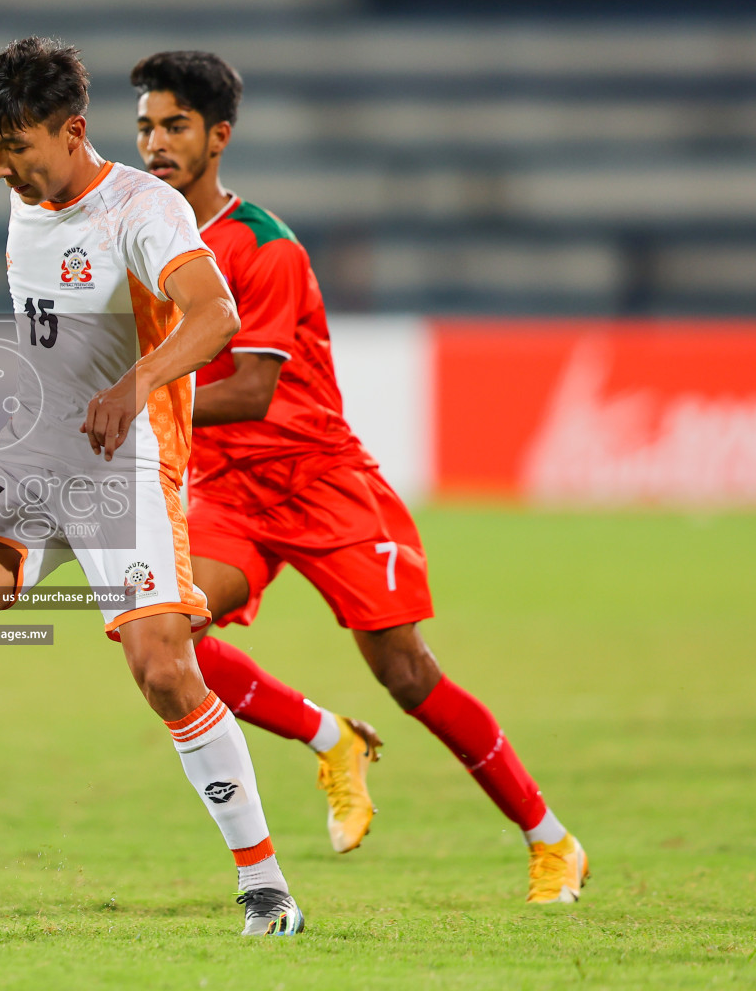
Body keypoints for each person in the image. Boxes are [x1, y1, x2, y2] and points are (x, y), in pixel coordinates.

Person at [130, 50, 589, 904]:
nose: (156, 142)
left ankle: (551, 840)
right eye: (147, 125)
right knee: (156, 637)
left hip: (319, 480)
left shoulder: (261, 245)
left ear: (218, 137)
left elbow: (256, 390)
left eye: (176, 126)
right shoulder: (144, 242)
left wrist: (136, 398)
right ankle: (327, 737)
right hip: (227, 488)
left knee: (406, 671)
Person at [0, 37, 305, 936]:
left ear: (73, 132)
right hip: (37, 454)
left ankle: (267, 886)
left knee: (163, 672)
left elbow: (217, 315)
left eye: (17, 149)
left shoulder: (140, 210)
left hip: (130, 460)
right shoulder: (25, 203)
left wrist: (136, 384)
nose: (2, 168)